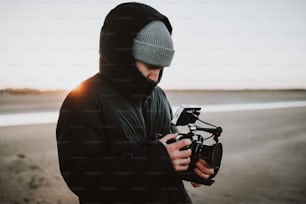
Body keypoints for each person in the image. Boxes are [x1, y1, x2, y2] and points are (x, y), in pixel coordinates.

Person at [56, 2, 214, 204]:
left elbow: (170, 150)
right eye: (150, 65)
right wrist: (157, 161)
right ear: (122, 54)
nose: (155, 76)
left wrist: (192, 166)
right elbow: (82, 178)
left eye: (162, 67)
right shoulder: (83, 99)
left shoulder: (159, 96)